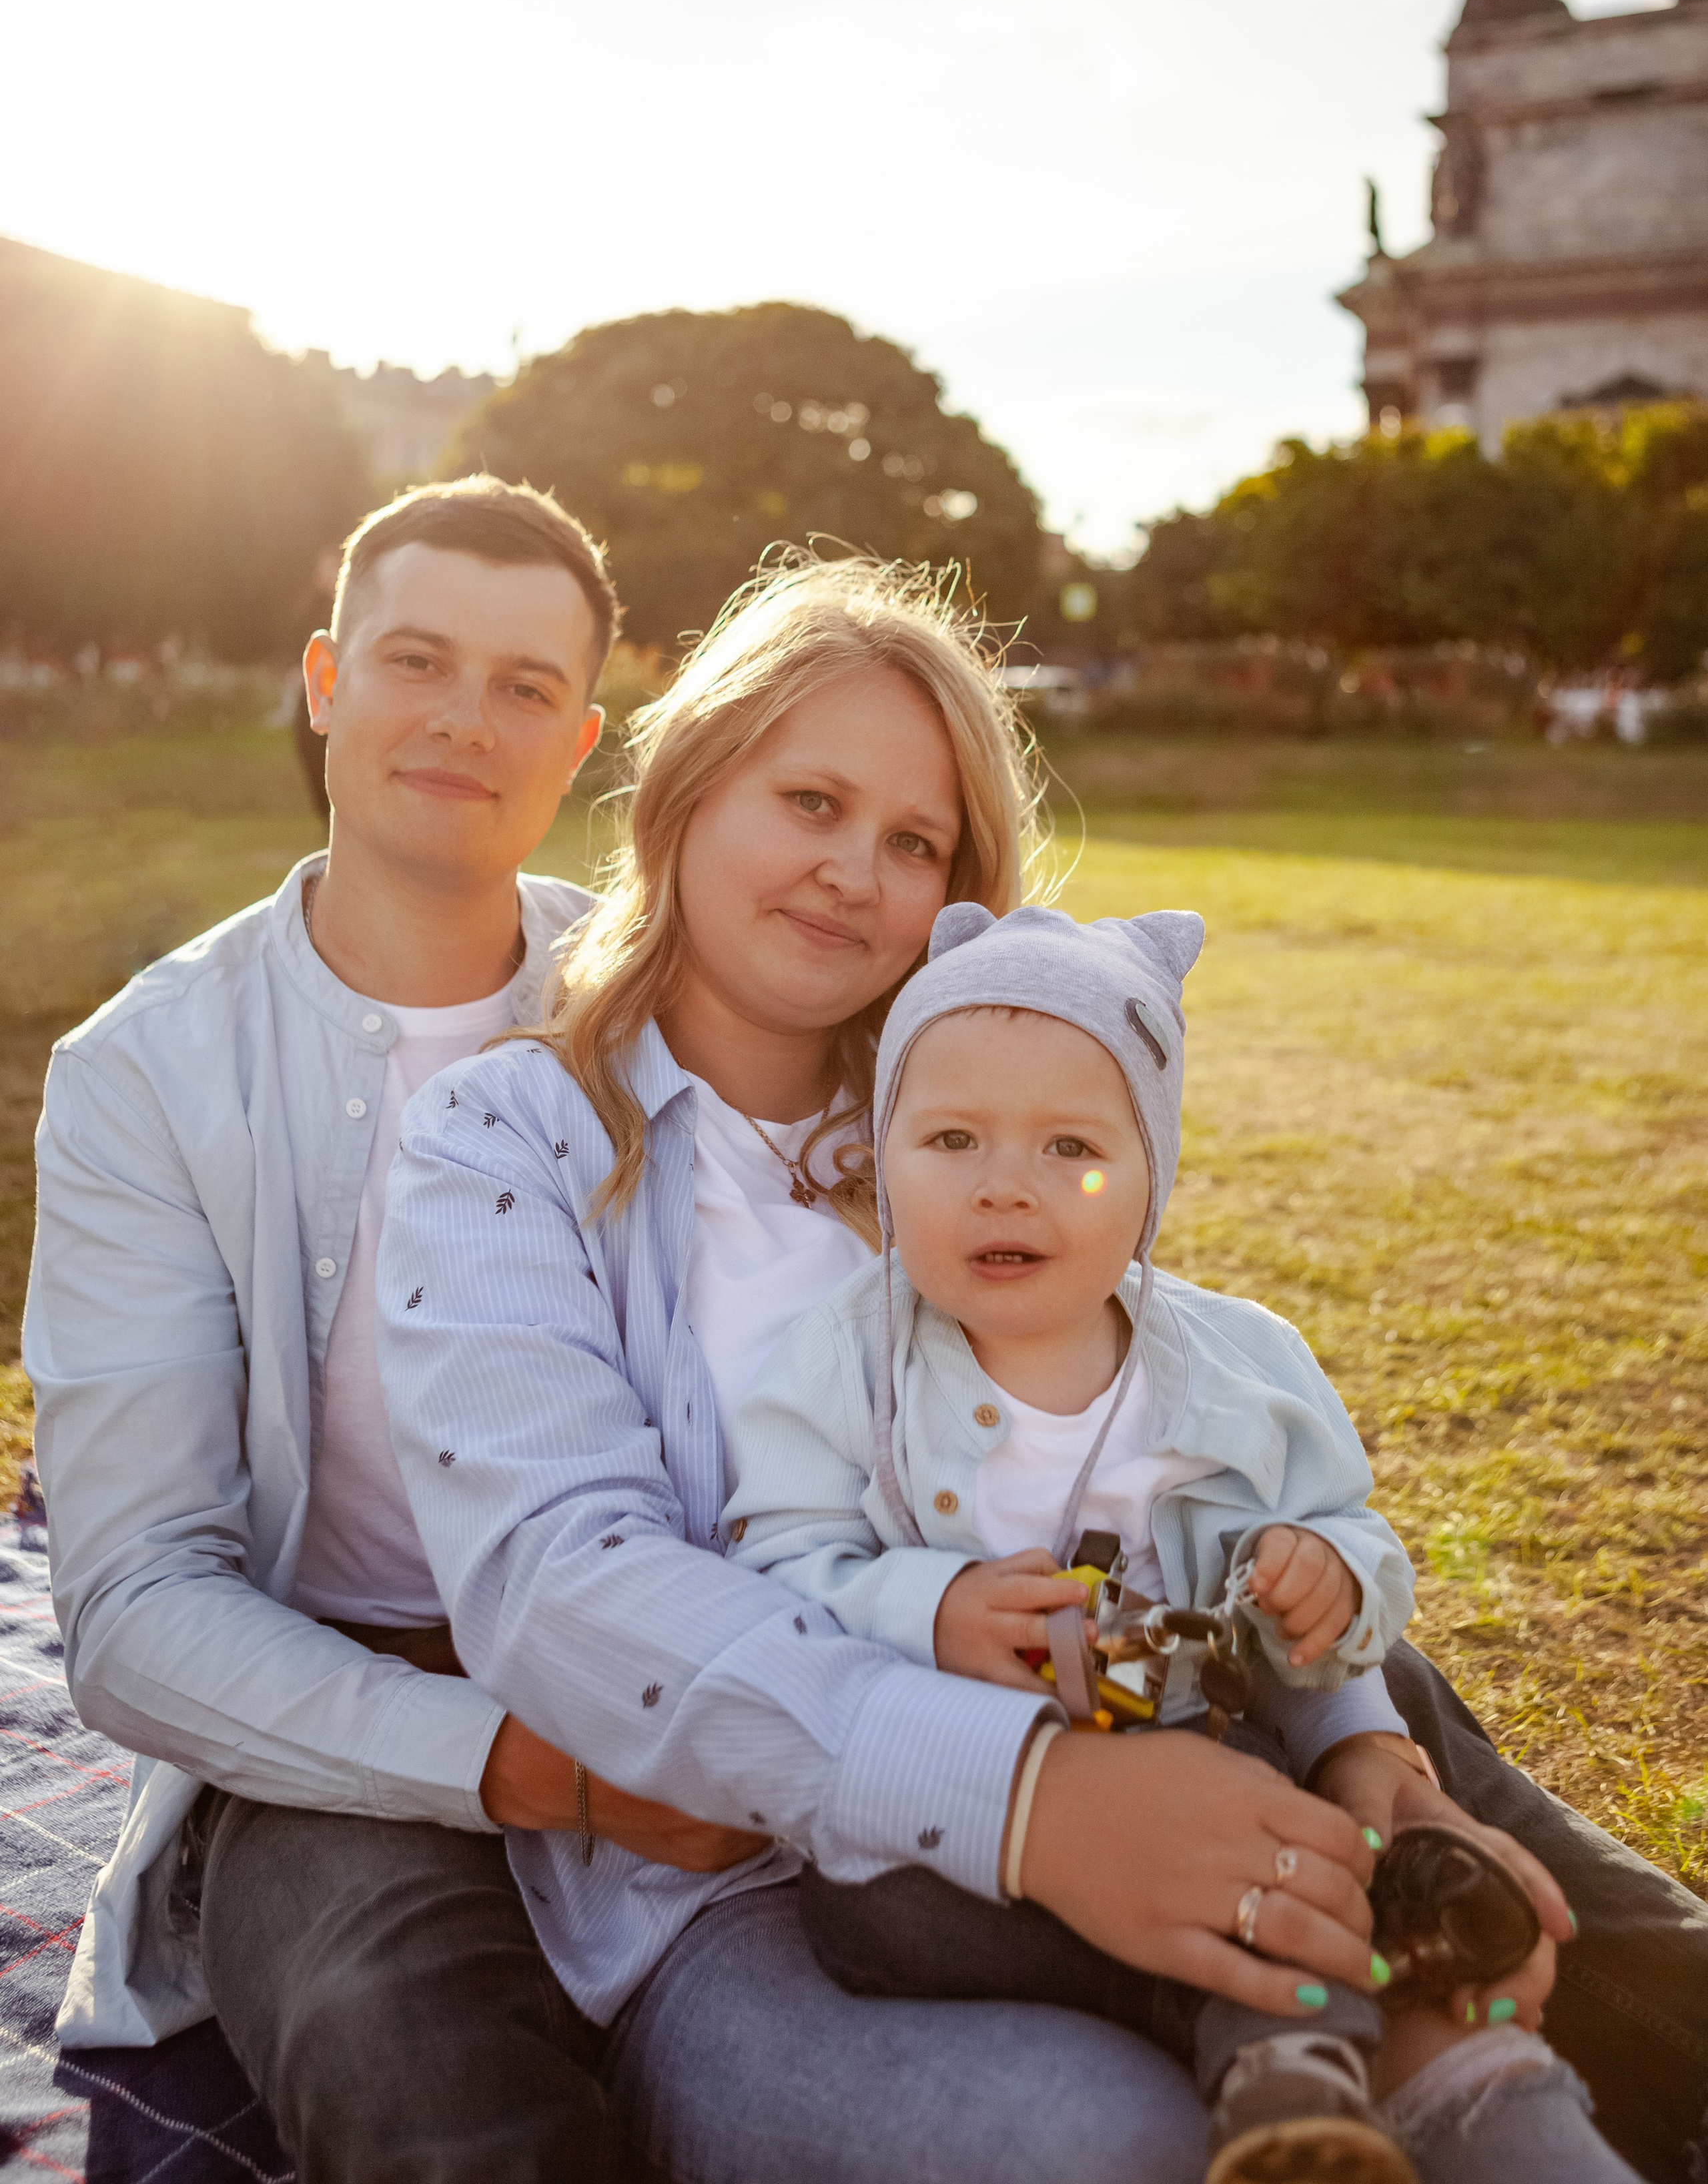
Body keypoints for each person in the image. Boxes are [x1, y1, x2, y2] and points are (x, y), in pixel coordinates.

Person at [377, 555, 1612, 2184]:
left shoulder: (983, 1130)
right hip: (731, 1889)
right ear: (681, 791)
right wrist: (1028, 1800)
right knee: (1113, 2142)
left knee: (1485, 2020)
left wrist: (1363, 1748)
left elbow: (1191, 1484)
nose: (849, 874)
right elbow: (557, 1585)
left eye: (913, 842)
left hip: (1154, 1741)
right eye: (809, 801)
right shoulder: (501, 1138)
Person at [24, 475, 765, 2184]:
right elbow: (134, 1610)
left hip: (673, 1637)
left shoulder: (677, 1008)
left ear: (581, 739)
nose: (461, 718)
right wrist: (529, 1770)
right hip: (336, 1704)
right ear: (325, 680)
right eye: (415, 660)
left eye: (522, 687)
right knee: (418, 2072)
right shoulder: (145, 1074)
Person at [723, 899, 1639, 2184]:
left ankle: (1296, 2059)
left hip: (1223, 1762)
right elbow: (773, 1572)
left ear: (1153, 1176)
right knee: (878, 1907)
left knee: (1292, 1827)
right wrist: (928, 1608)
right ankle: (1280, 2024)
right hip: (968, 1812)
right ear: (882, 1155)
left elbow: (1353, 1543)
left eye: (1071, 1147)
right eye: (950, 1138)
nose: (1005, 1182)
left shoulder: (1240, 1370)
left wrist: (1328, 1580)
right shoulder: (844, 1362)